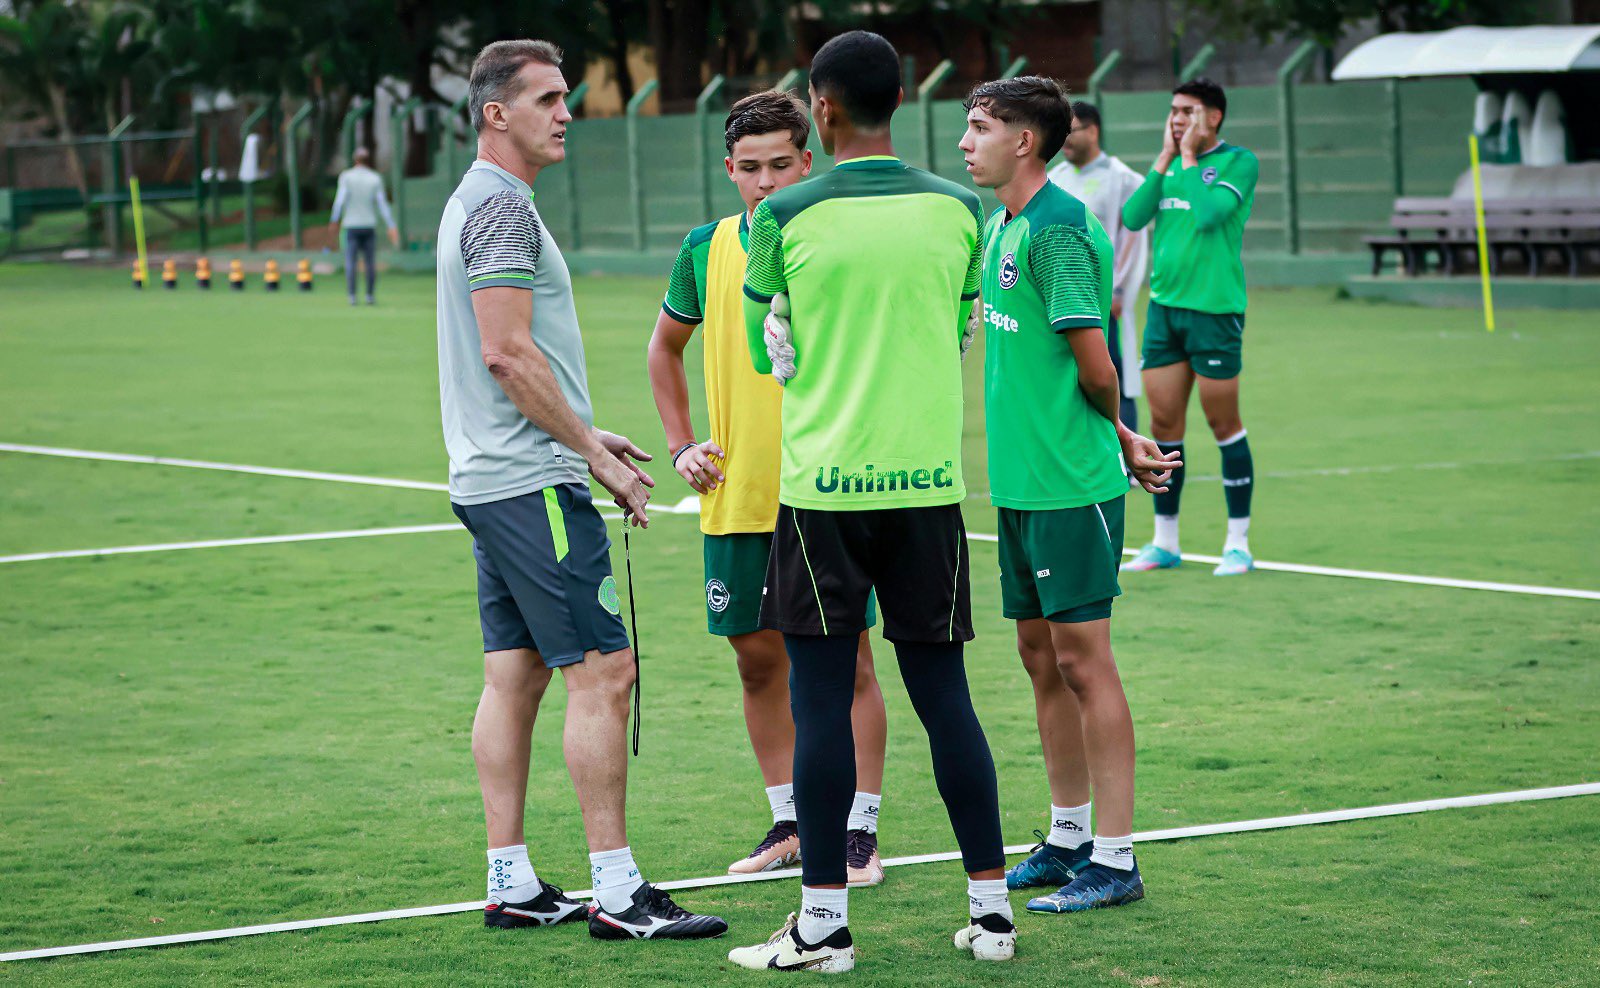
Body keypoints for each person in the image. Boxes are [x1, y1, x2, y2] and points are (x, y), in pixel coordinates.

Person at [725, 31, 1013, 973]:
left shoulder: (787, 213)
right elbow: (962, 323)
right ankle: (992, 913)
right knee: (947, 701)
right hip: (930, 488)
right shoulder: (960, 208)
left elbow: (768, 327)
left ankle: (823, 926)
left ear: (822, 107)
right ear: (902, 100)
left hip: (823, 495)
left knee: (819, 706)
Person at [436, 39, 724, 941]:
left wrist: (587, 432)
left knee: (514, 676)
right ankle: (619, 891)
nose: (568, 112)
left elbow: (516, 357)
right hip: (531, 484)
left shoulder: (482, 202)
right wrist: (587, 458)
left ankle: (511, 879)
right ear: (496, 113)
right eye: (550, 99)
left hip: (497, 475)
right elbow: (506, 351)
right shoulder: (501, 210)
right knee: (605, 674)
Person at [645, 90, 891, 886]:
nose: (764, 181)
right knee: (757, 662)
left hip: (829, 492)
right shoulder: (704, 248)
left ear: (807, 162)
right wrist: (681, 444)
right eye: (748, 168)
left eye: (780, 164)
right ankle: (789, 820)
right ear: (729, 170)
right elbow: (663, 350)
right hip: (737, 493)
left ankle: (859, 832)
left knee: (849, 662)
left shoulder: (835, 241)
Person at [959, 76, 1180, 917]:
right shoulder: (1001, 224)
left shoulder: (1055, 230)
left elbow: (1094, 364)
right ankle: (1066, 836)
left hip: (1068, 486)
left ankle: (1116, 860)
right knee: (1039, 657)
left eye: (980, 128)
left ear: (1024, 140)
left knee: (1086, 664)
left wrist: (1119, 436)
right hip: (1019, 484)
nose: (965, 142)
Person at [1121, 77, 1260, 577]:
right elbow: (1132, 217)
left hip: (1215, 313)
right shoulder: (1169, 167)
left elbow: (1209, 216)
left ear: (1214, 117)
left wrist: (1189, 160)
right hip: (1164, 312)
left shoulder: (1238, 162)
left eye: (1188, 111)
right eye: (1173, 110)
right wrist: (1164, 158)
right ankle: (1165, 542)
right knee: (1164, 430)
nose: (1178, 119)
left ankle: (1238, 543)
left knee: (1224, 425)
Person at [1047, 101, 1148, 433]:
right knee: (1068, 376)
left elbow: (1132, 238)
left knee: (1113, 374)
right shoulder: (1054, 178)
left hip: (1105, 303)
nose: (1064, 140)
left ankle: (1125, 456)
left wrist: (1119, 290)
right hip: (1063, 300)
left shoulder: (1124, 179)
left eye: (1071, 131)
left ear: (1093, 131)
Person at [329, 147, 399, 305]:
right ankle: (369, 296)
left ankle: (352, 296)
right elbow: (382, 204)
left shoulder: (346, 177)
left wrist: (334, 219)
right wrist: (391, 225)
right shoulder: (375, 178)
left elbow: (340, 200)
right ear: (369, 160)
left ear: (355, 160)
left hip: (351, 226)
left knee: (351, 262)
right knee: (370, 263)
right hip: (368, 225)